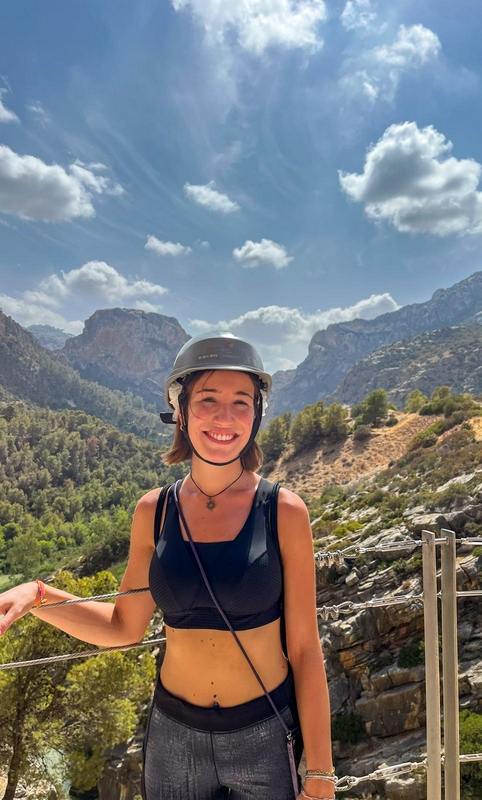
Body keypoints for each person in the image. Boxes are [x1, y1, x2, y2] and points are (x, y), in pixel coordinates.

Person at [0, 334, 335, 800]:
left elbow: (303, 649)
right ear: (180, 411)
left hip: (261, 731)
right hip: (174, 734)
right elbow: (123, 626)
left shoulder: (284, 511)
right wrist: (38, 595)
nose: (224, 417)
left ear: (257, 415)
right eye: (208, 400)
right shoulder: (153, 511)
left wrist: (320, 773)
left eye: (241, 402)